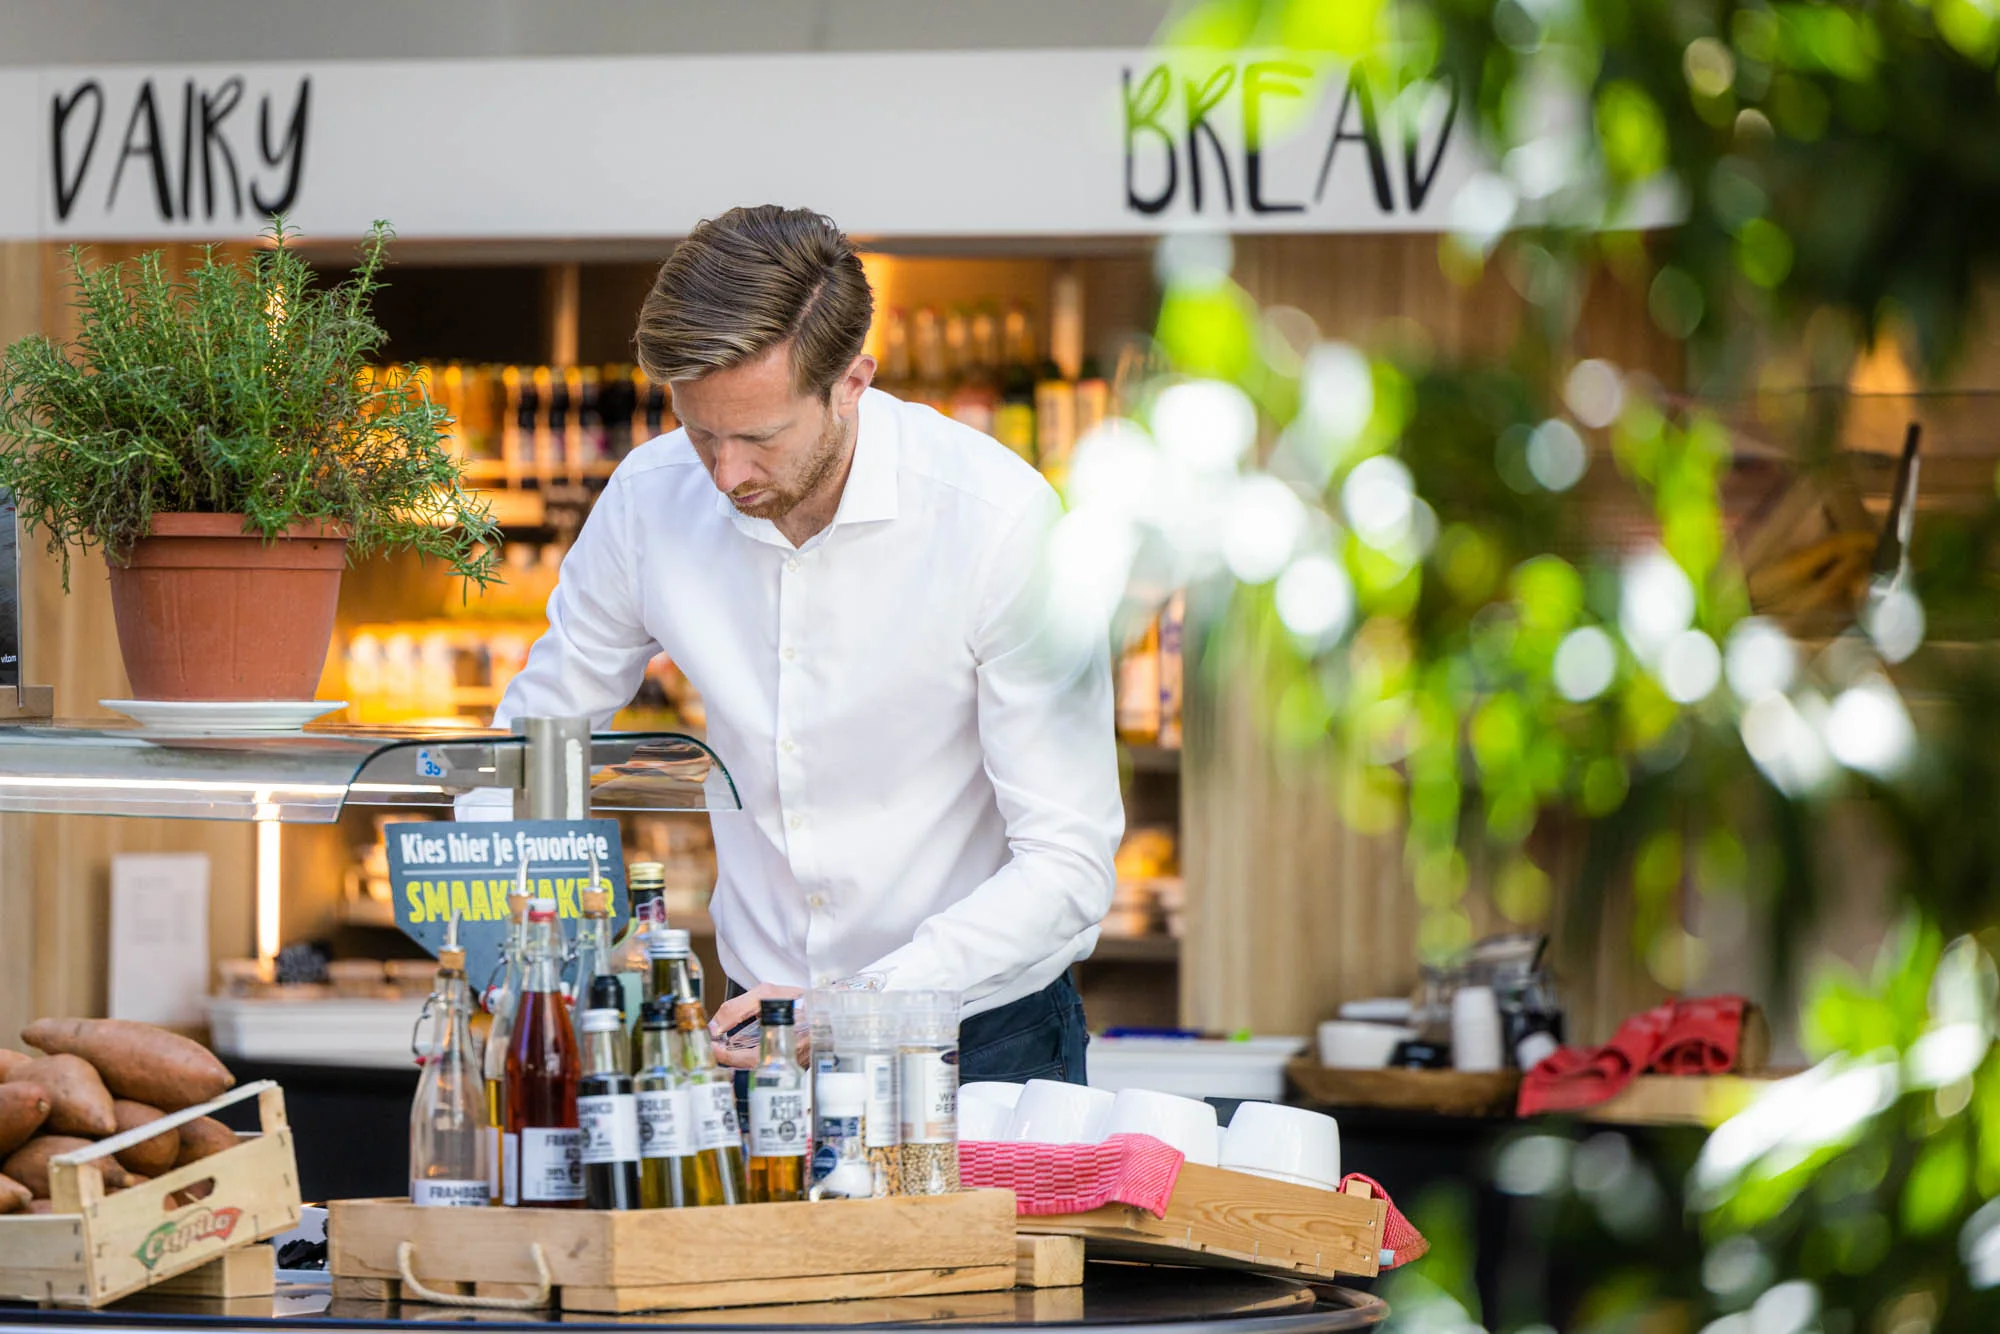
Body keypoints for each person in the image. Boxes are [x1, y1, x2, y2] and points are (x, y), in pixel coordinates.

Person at [480, 204, 1123, 1083]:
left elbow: (1068, 866)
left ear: (852, 382)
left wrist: (862, 1002)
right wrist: (528, 952)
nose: (726, 473)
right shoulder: (649, 501)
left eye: (760, 437)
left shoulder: (1001, 523)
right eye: (700, 432)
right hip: (753, 1034)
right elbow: (532, 744)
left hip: (977, 1037)